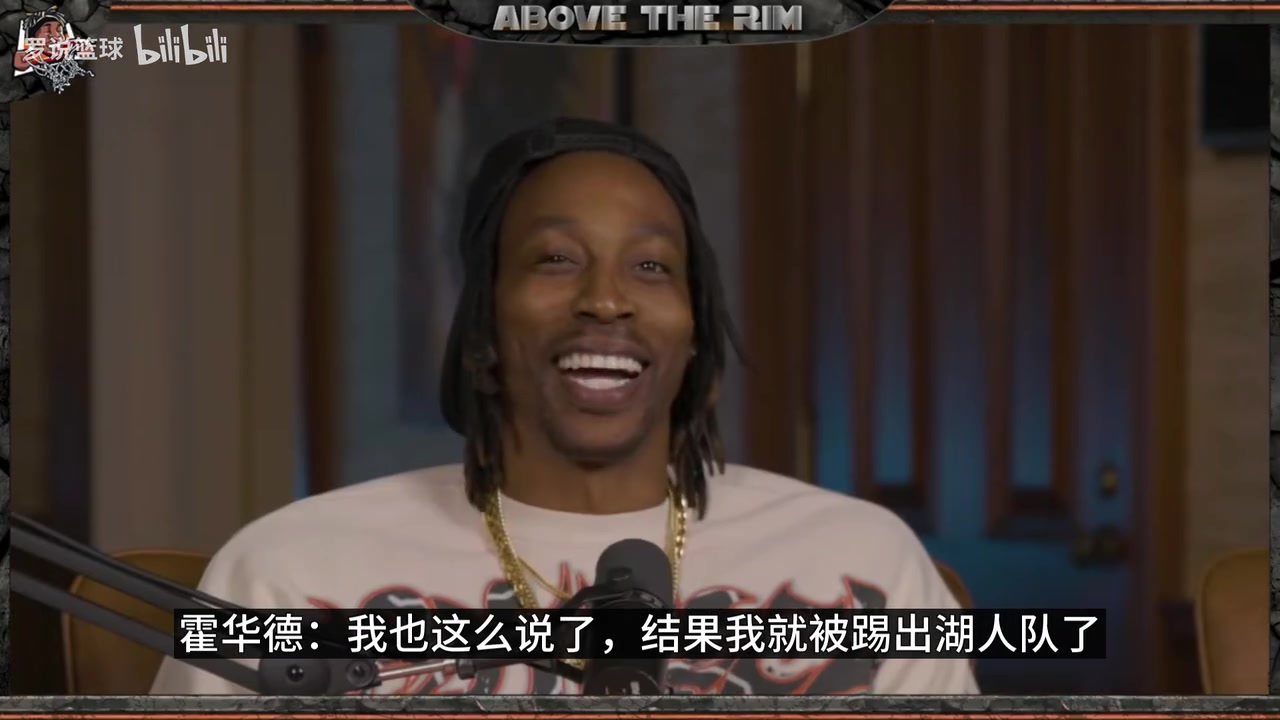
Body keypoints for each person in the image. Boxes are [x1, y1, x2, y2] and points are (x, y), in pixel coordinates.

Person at [150, 118, 979, 696]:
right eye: (555, 259)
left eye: (652, 267)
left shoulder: (863, 564)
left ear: (694, 335)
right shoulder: (292, 573)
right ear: (482, 330)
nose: (606, 300)